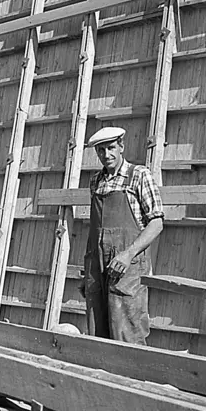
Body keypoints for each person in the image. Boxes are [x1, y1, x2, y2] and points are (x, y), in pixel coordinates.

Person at [81, 126, 164, 343]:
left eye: (111, 148)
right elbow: (95, 230)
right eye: (100, 150)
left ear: (121, 147)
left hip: (127, 266)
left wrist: (128, 254)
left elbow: (156, 223)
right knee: (96, 326)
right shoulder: (95, 181)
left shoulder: (138, 175)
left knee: (127, 328)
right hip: (97, 265)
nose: (106, 155)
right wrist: (88, 271)